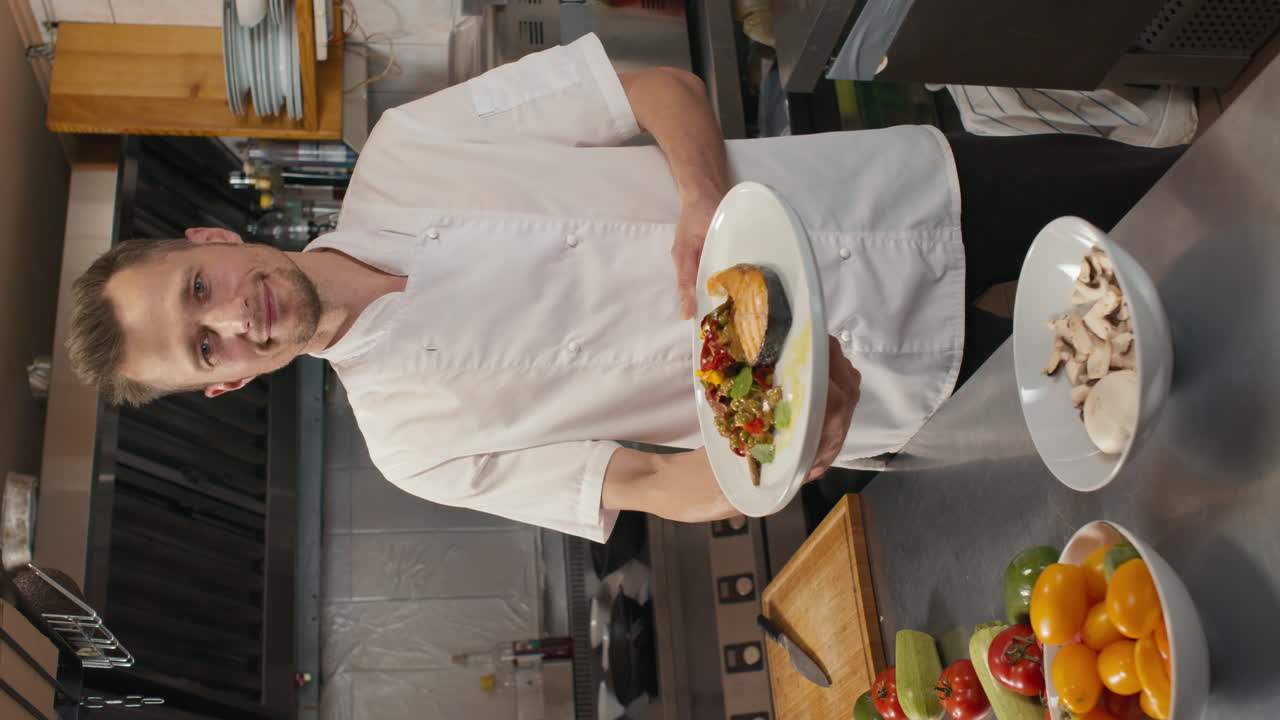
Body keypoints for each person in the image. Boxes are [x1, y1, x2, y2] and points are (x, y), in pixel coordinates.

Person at [65, 34, 1183, 541]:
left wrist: (699, 202)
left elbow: (652, 86)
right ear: (223, 385)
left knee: (1200, 199)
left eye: (198, 287)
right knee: (1187, 398)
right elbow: (650, 485)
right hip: (890, 389)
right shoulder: (413, 445)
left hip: (888, 194)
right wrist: (790, 456)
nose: (230, 316)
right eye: (203, 345)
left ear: (210, 235)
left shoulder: (408, 148)